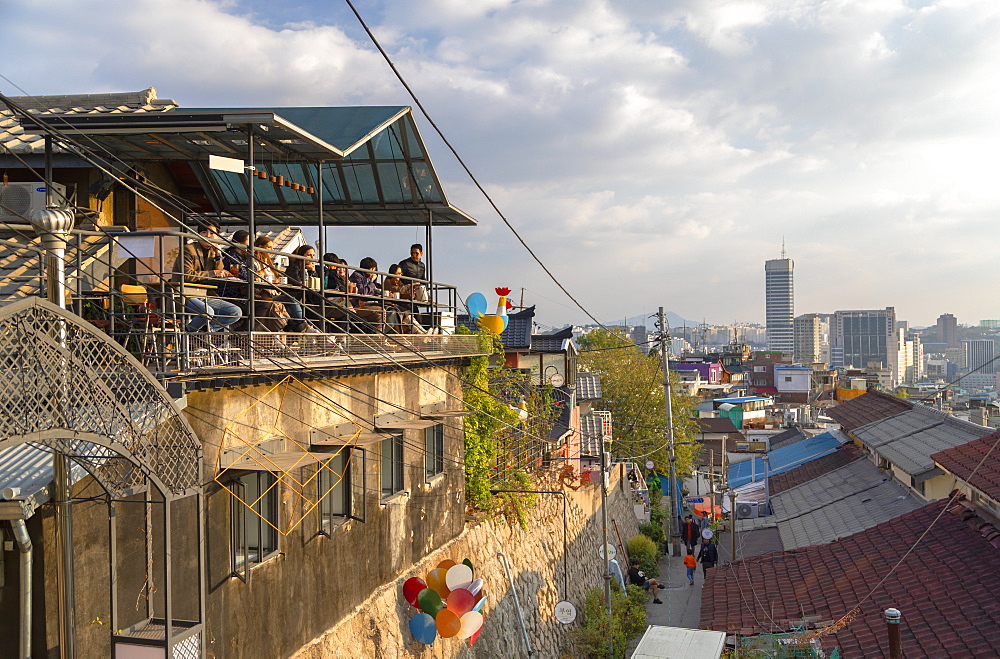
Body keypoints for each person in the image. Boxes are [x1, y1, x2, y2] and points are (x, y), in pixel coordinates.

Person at [179, 220, 243, 332]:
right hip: (186, 294)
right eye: (204, 232)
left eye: (212, 233)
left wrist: (218, 254)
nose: (208, 236)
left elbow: (220, 271)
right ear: (198, 234)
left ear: (217, 236)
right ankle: (188, 332)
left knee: (235, 312)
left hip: (204, 294)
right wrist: (213, 273)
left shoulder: (213, 251)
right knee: (208, 312)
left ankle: (204, 331)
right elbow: (186, 275)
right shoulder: (188, 249)